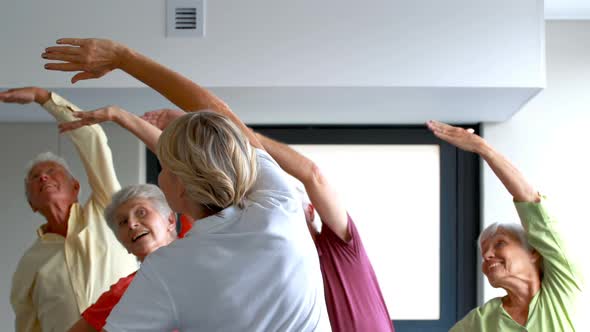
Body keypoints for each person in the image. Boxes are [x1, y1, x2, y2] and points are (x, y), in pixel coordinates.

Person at [45, 38, 330, 331]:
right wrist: (124, 58)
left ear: (178, 195)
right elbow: (220, 115)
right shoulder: (278, 206)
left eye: (164, 166)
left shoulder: (168, 270)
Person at [142, 107, 395, 331]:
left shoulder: (341, 247)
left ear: (308, 212)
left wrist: (251, 140)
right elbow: (191, 180)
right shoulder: (262, 254)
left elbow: (314, 175)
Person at [0, 87, 138, 332]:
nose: (43, 177)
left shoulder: (109, 212)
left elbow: (93, 140)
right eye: (34, 177)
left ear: (75, 187)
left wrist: (43, 97)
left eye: (52, 171)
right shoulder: (29, 265)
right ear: (31, 203)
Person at [426, 121, 583, 331]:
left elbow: (530, 200)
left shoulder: (563, 287)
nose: (488, 256)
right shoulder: (480, 321)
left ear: (534, 252)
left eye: (500, 243)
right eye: (484, 253)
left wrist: (483, 148)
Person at [68, 184, 192, 332]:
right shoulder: (122, 292)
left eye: (141, 212)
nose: (132, 224)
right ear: (123, 244)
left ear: (170, 220)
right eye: (123, 222)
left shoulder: (200, 246)